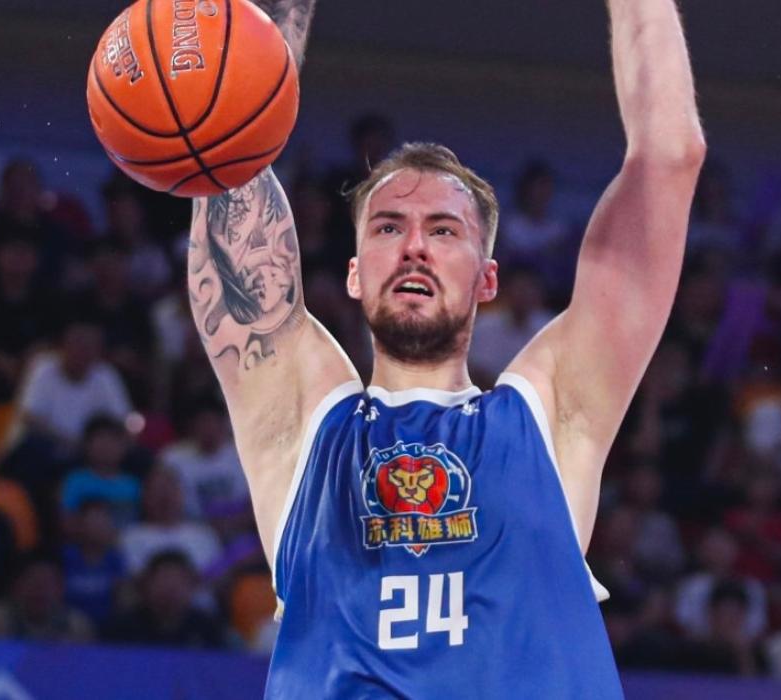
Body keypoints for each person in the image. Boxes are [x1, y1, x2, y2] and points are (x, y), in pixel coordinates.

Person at [189, 0, 704, 696]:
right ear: (353, 273)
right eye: (388, 227)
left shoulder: (552, 417)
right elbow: (225, 156)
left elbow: (669, 159)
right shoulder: (302, 423)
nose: (413, 246)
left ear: (488, 278)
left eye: (443, 230)